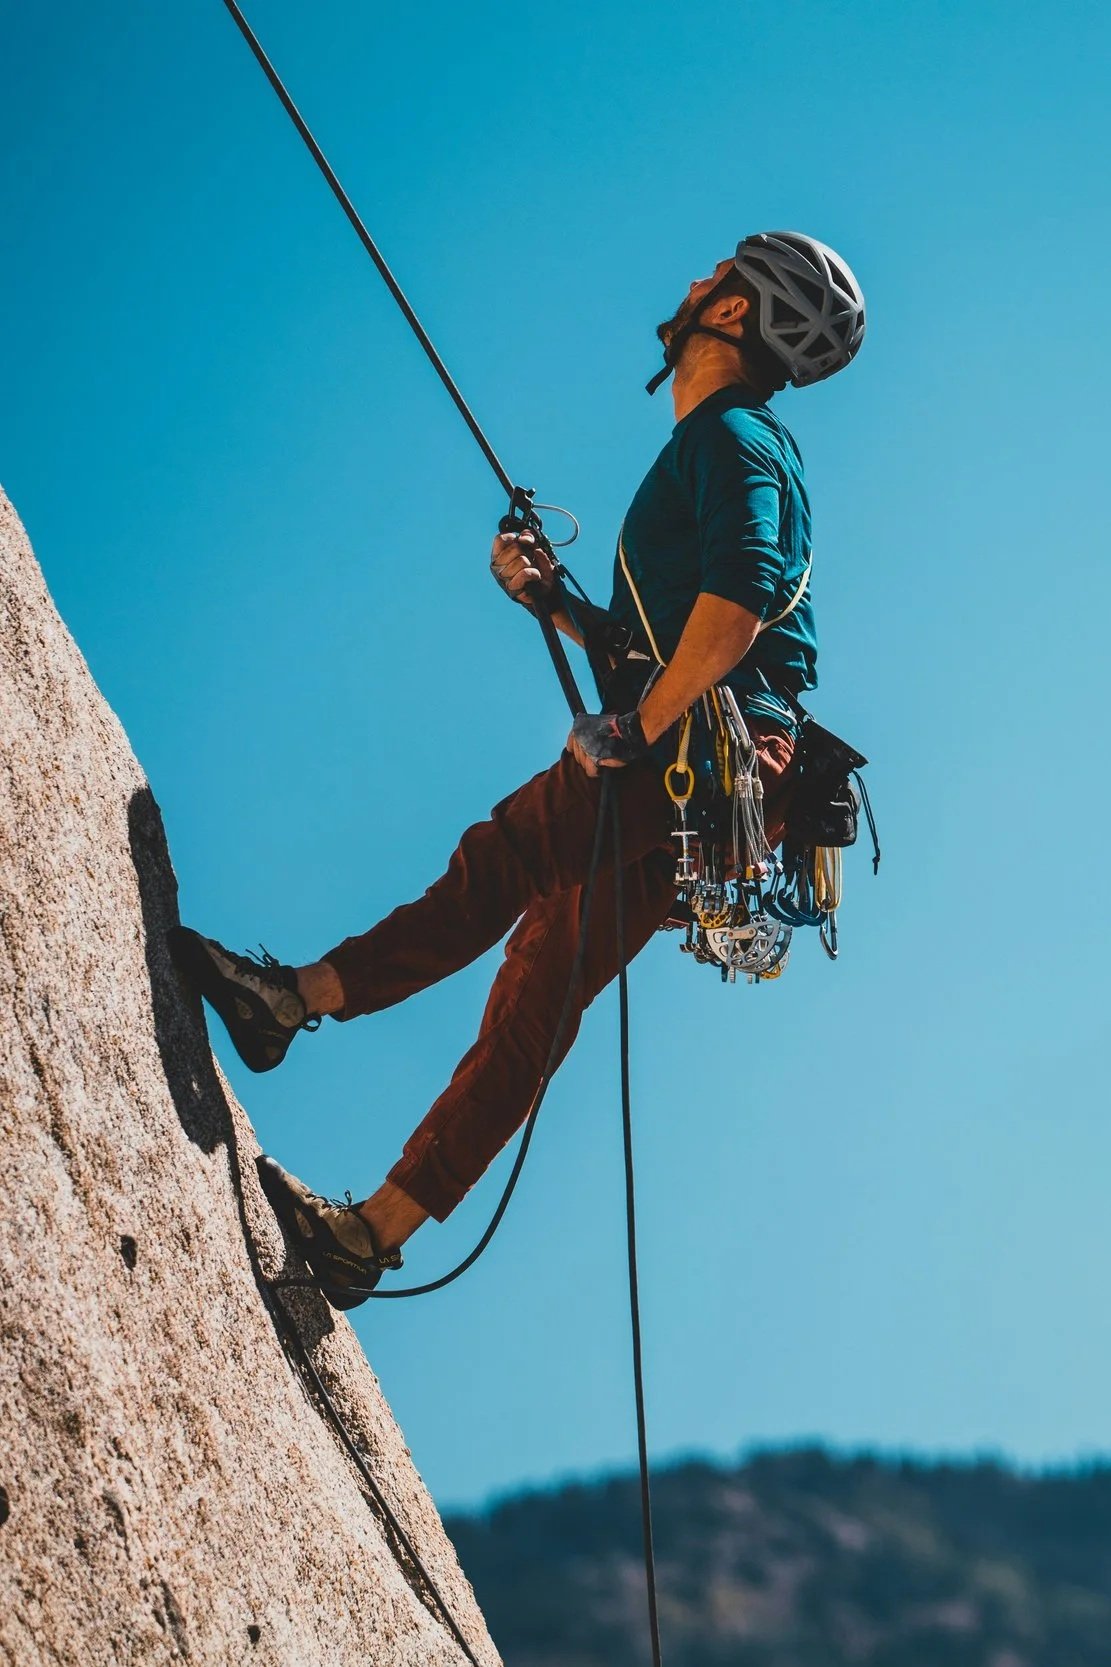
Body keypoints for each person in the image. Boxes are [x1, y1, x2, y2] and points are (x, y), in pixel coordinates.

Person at [169, 231, 866, 1309]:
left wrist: (636, 730)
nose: (689, 282)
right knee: (538, 988)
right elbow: (686, 631)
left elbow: (735, 607)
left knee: (500, 861)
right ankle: (371, 1233)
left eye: (711, 276)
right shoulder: (723, 443)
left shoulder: (733, 439)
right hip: (733, 790)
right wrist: (555, 603)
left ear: (731, 313)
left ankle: (286, 1001)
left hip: (696, 753)